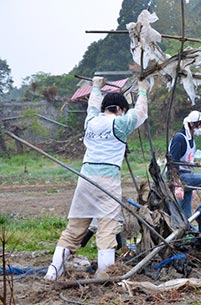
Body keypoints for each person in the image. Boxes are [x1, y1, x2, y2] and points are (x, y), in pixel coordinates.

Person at [44, 76, 150, 281]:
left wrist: (95, 86)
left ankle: (52, 272)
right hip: (107, 181)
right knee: (107, 229)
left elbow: (92, 105)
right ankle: (104, 276)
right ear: (119, 109)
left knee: (74, 229)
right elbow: (141, 112)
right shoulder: (120, 123)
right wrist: (143, 90)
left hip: (85, 179)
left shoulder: (91, 121)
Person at [169, 110, 201, 220]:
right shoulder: (180, 138)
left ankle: (184, 229)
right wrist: (177, 184)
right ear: (192, 124)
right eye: (200, 125)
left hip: (187, 175)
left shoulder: (191, 139)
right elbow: (172, 162)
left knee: (184, 211)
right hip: (181, 177)